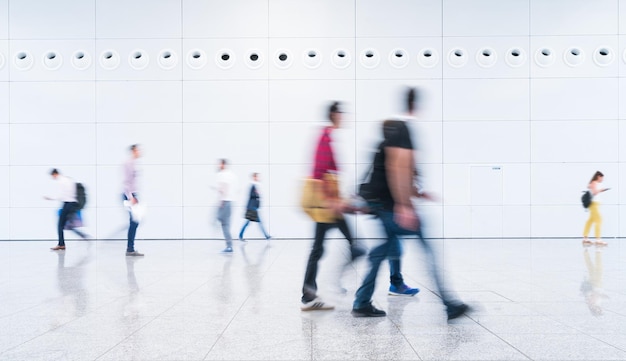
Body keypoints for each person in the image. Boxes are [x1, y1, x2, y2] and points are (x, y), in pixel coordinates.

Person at [352, 116, 468, 320]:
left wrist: (418, 195)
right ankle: (449, 304)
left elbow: (391, 176)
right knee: (427, 252)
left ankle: (362, 301)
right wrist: (404, 206)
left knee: (382, 253)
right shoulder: (400, 139)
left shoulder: (382, 144)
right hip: (392, 210)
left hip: (382, 208)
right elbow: (398, 172)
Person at [300, 101, 365, 311]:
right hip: (327, 205)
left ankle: (313, 292)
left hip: (331, 203)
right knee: (344, 246)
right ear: (334, 114)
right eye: (341, 113)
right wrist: (331, 201)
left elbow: (328, 173)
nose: (344, 116)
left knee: (323, 248)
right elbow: (319, 173)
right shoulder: (325, 137)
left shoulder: (329, 136)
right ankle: (319, 289)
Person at [46, 169, 83, 250]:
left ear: (55, 174)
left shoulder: (61, 181)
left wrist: (50, 198)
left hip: (67, 204)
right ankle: (83, 236)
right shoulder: (69, 179)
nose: (53, 177)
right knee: (68, 225)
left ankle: (61, 244)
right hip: (73, 203)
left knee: (60, 225)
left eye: (52, 176)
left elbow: (61, 195)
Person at [123, 144, 144, 257]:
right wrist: (131, 197)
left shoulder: (135, 163)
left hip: (133, 195)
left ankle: (130, 248)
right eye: (137, 150)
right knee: (134, 221)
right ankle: (130, 248)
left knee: (135, 221)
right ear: (133, 151)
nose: (139, 152)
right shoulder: (128, 163)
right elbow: (126, 182)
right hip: (129, 196)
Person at [238, 172, 271, 242]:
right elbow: (251, 196)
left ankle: (240, 235)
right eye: (256, 177)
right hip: (252, 208)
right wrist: (257, 194)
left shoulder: (255, 185)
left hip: (253, 207)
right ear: (254, 177)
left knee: (248, 223)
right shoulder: (253, 186)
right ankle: (267, 236)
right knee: (258, 223)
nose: (258, 178)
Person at [216, 159, 238, 253]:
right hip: (231, 202)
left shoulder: (223, 174)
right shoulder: (232, 175)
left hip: (225, 201)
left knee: (222, 221)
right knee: (226, 224)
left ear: (223, 164)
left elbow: (224, 187)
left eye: (219, 164)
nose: (218, 165)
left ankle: (229, 246)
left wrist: (221, 200)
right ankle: (229, 245)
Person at [583, 171, 609, 246]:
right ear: (598, 176)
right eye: (602, 178)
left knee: (590, 220)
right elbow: (594, 192)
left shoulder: (594, 183)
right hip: (594, 204)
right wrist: (601, 190)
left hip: (595, 204)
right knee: (599, 220)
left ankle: (585, 238)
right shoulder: (594, 182)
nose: (602, 179)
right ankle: (598, 239)